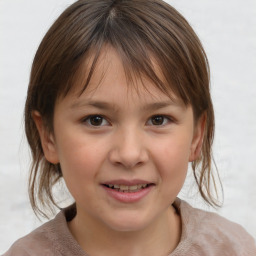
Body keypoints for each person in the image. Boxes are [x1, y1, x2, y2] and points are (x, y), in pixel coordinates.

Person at [3, 0, 256, 255]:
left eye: (158, 120)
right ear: (48, 137)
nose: (129, 154)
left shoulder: (235, 249)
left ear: (196, 136)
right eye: (96, 120)